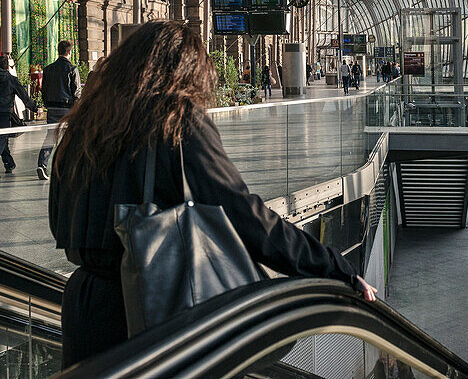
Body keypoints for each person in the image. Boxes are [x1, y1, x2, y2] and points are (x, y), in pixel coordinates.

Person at [48, 20, 377, 367]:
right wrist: (331, 267)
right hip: (153, 307)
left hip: (83, 309)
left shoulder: (81, 127)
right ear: (187, 72)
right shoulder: (176, 123)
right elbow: (243, 215)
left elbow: (60, 222)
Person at [0, 55, 38, 181]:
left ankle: (9, 163)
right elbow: (24, 96)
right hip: (3, 112)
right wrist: (34, 108)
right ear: (7, 66)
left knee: (2, 137)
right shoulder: (11, 79)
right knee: (0, 138)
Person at [37, 40, 82, 180]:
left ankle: (42, 164)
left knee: (50, 136)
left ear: (58, 51)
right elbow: (77, 92)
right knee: (70, 137)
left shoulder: (48, 69)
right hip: (67, 108)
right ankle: (68, 166)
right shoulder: (72, 69)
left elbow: (43, 89)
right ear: (69, 52)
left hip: (52, 107)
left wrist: (47, 104)